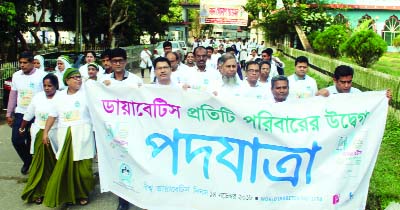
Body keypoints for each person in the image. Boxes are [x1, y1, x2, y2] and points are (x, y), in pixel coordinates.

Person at [42, 68, 95, 207]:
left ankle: (83, 192)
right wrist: (45, 132)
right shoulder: (59, 96)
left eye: (79, 77)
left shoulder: (88, 94)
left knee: (84, 171)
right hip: (66, 135)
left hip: (84, 134)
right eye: (74, 77)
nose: (78, 79)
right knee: (66, 167)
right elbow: (52, 115)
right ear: (67, 81)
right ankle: (68, 195)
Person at [20, 74, 59, 204]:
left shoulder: (62, 97)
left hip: (56, 134)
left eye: (50, 86)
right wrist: (22, 127)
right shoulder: (37, 97)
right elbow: (29, 113)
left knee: (54, 164)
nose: (47, 88)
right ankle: (38, 192)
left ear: (56, 86)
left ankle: (54, 190)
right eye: (45, 86)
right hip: (38, 133)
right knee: (39, 165)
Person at [6, 51, 46, 175]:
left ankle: (34, 163)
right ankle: (27, 160)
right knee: (16, 140)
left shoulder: (42, 75)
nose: (22, 65)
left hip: (36, 114)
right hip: (20, 112)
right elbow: (13, 95)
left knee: (31, 140)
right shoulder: (16, 75)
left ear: (32, 63)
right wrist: (9, 113)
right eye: (20, 63)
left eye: (25, 63)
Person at [316, 65, 393, 100]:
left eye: (349, 82)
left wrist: (384, 99)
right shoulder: (326, 93)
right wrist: (317, 97)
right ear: (335, 80)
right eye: (343, 82)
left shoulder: (358, 94)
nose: (346, 85)